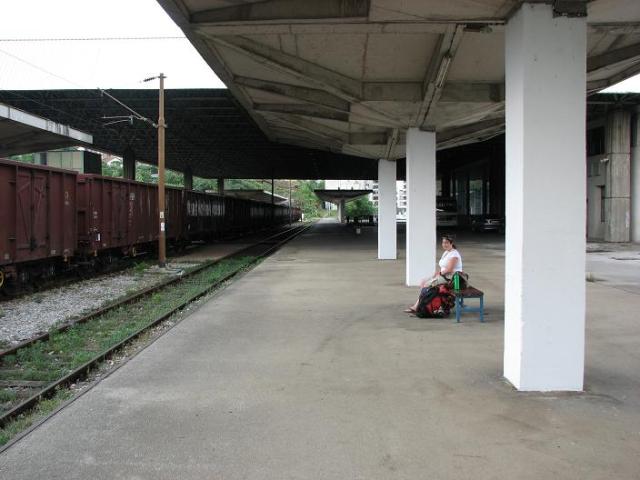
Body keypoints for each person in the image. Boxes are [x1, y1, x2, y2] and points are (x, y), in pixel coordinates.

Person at [405, 235, 463, 314]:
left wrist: (438, 274)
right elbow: (443, 268)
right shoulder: (446, 252)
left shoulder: (454, 254)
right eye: (443, 242)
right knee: (423, 282)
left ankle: (417, 306)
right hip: (445, 275)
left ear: (451, 243)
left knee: (426, 285)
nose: (444, 244)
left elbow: (449, 269)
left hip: (451, 278)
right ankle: (422, 304)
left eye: (446, 243)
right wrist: (433, 276)